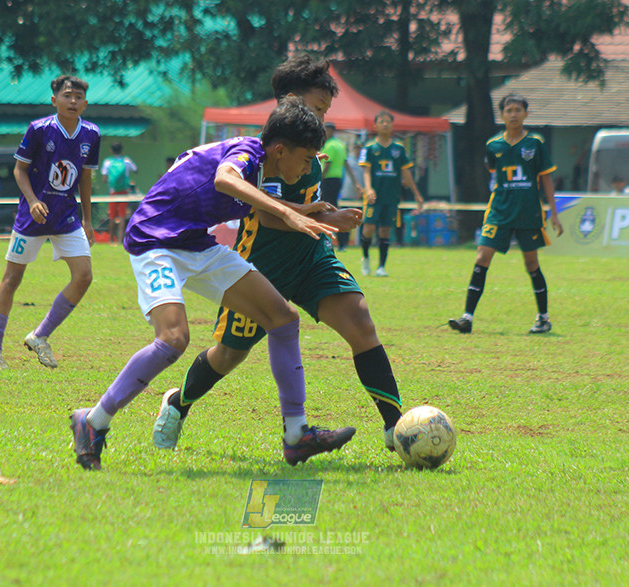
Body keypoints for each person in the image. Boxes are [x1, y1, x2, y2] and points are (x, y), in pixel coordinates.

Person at [69, 96, 349, 471]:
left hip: (197, 243)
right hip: (156, 241)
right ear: (280, 150)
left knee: (283, 319)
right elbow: (225, 178)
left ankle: (297, 435)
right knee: (173, 340)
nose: (309, 165)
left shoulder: (265, 168)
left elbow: (258, 201)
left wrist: (308, 211)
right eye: (305, 157)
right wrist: (288, 212)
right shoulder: (246, 152)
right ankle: (93, 422)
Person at [151, 54, 405, 459]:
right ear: (290, 99)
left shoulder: (309, 146)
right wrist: (331, 218)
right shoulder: (266, 153)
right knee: (230, 354)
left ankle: (397, 427)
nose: (322, 118)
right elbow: (269, 219)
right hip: (261, 262)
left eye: (326, 111)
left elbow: (306, 200)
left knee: (360, 320)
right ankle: (178, 403)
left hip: (310, 257)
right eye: (318, 108)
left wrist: (326, 212)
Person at [0, 75, 99, 371]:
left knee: (84, 276)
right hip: (32, 217)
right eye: (67, 95)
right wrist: (33, 201)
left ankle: (39, 335)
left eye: (78, 97)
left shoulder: (92, 133)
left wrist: (87, 218)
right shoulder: (39, 129)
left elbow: (85, 176)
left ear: (85, 103)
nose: (73, 101)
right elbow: (20, 170)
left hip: (67, 216)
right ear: (54, 100)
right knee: (12, 279)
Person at [447, 94, 563, 334]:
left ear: (526, 114)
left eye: (518, 110)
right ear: (501, 115)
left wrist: (553, 212)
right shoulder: (494, 145)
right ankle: (466, 318)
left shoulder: (535, 143)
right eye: (509, 110)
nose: (513, 114)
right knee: (482, 258)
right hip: (499, 210)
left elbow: (546, 178)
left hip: (528, 212)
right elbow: (491, 168)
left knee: (531, 263)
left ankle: (543, 318)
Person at [359, 111, 424, 277]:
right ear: (375, 125)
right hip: (374, 196)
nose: (385, 124)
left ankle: (381, 266)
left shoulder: (399, 148)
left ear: (392, 125)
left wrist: (416, 193)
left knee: (385, 231)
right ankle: (365, 257)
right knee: (369, 228)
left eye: (388, 121)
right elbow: (366, 171)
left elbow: (406, 173)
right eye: (382, 121)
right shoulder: (369, 148)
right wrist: (368, 188)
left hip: (391, 196)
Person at [320, 122, 362, 251]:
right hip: (337, 180)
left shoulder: (330, 145)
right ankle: (342, 242)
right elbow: (346, 164)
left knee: (327, 210)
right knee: (334, 209)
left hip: (327, 180)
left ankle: (329, 240)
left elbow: (327, 165)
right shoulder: (340, 145)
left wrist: (318, 180)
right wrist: (355, 181)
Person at [100, 142, 137, 245]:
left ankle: (111, 240)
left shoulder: (107, 162)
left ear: (111, 150)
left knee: (111, 216)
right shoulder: (126, 161)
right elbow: (136, 170)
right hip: (124, 192)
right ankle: (120, 240)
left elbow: (104, 179)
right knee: (122, 216)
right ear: (121, 150)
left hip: (113, 192)